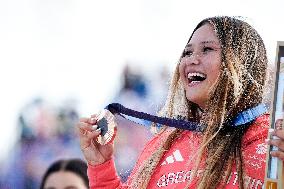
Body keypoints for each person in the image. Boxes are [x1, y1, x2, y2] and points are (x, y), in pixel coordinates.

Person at [77, 16, 282, 188]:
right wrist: (101, 166)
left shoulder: (272, 140)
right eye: (187, 52)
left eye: (207, 49)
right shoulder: (165, 143)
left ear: (241, 62)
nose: (191, 59)